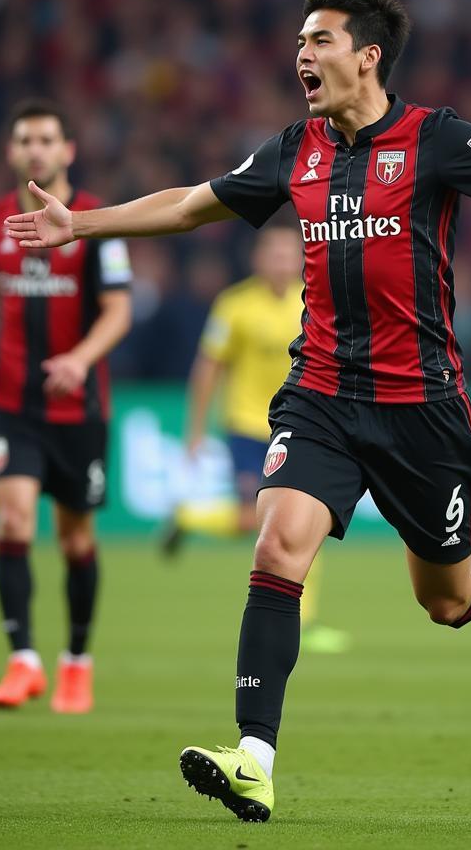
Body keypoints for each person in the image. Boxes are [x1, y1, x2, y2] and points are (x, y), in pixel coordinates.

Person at [4, 0, 471, 820]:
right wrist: (82, 226)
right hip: (320, 393)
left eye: (319, 41)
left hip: (423, 410)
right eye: (300, 42)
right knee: (277, 546)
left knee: (449, 602)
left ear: (367, 55)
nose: (302, 56)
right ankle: (254, 756)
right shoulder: (296, 148)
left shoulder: (435, 139)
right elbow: (190, 204)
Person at [0, 98, 132, 713]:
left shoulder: (94, 220)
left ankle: (76, 663)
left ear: (67, 151)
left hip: (78, 409)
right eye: (24, 139)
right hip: (11, 403)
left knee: (76, 539)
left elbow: (119, 309)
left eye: (46, 139)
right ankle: (23, 661)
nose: (35, 149)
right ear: (11, 152)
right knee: (12, 522)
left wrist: (81, 359)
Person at [165, 223, 350, 654]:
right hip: (249, 428)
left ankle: (306, 620)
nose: (283, 262)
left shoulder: (315, 301)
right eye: (275, 254)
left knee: (309, 516)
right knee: (255, 521)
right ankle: (190, 517)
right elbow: (208, 368)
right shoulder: (234, 307)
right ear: (258, 258)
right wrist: (195, 430)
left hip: (303, 423)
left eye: (290, 254)